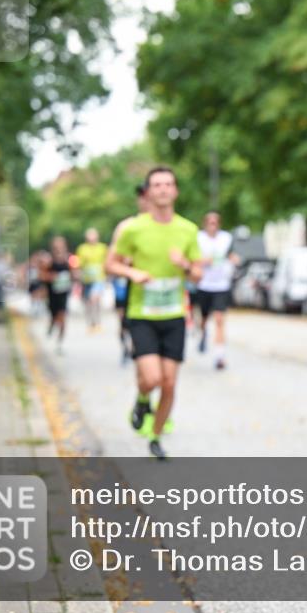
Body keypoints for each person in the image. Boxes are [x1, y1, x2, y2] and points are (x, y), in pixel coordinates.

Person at [105, 166, 201, 460]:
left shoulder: (188, 229)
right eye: (156, 185)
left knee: (170, 382)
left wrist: (184, 264)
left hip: (174, 314)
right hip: (143, 314)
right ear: (148, 192)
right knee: (152, 378)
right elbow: (110, 265)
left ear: (175, 191)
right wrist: (132, 273)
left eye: (168, 184)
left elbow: (197, 274)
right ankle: (143, 398)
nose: (162, 189)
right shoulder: (133, 229)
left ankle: (156, 437)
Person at [109, 184, 149, 364]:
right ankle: (125, 347)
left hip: (154, 290)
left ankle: (135, 351)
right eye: (142, 196)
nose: (146, 201)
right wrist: (128, 266)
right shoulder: (126, 227)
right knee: (123, 321)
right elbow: (111, 263)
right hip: (127, 285)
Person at [194, 212, 240, 368]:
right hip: (204, 284)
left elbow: (231, 254)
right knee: (204, 317)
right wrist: (206, 261)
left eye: (215, 222)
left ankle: (219, 356)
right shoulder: (198, 238)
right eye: (210, 222)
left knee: (220, 319)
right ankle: (203, 332)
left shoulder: (226, 238)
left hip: (221, 285)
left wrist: (234, 259)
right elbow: (193, 259)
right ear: (205, 223)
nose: (212, 225)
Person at [42, 236, 74, 355]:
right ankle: (51, 325)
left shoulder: (68, 259)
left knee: (63, 318)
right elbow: (42, 275)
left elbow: (74, 273)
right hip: (52, 295)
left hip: (64, 294)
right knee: (54, 317)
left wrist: (72, 276)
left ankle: (60, 343)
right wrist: (52, 277)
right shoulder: (48, 260)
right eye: (57, 246)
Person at [76, 228, 108, 331]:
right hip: (86, 279)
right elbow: (78, 263)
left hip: (99, 278)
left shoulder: (102, 248)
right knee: (88, 302)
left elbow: (106, 262)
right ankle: (90, 323)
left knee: (95, 299)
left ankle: (98, 322)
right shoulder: (82, 248)